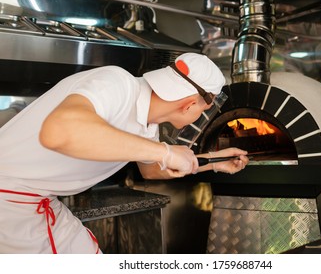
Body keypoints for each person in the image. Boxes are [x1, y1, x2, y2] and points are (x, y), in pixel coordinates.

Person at [0, 52, 249, 254]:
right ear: (189, 105)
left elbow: (152, 169)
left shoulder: (148, 122)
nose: (201, 116)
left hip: (36, 200)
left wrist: (215, 162)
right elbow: (58, 131)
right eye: (204, 110)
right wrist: (164, 151)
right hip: (11, 204)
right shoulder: (116, 83)